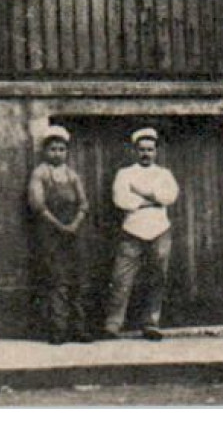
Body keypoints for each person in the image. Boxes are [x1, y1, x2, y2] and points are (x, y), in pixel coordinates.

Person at [102, 128, 179, 341]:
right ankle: (113, 324)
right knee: (121, 278)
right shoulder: (125, 174)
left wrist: (141, 195)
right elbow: (121, 200)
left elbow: (170, 196)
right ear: (135, 150)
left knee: (157, 278)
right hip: (132, 230)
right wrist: (152, 200)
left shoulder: (164, 174)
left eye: (150, 150)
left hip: (160, 229)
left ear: (156, 151)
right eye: (142, 149)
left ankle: (151, 323)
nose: (146, 153)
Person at [28, 126, 91, 344]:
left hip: (74, 234)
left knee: (78, 280)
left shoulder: (72, 175)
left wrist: (74, 224)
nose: (57, 153)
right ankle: (58, 330)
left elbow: (84, 204)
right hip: (51, 235)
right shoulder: (40, 174)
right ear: (46, 151)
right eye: (53, 149)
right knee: (57, 281)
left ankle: (79, 329)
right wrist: (59, 226)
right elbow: (38, 205)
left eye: (61, 149)